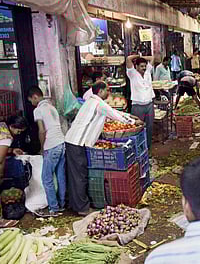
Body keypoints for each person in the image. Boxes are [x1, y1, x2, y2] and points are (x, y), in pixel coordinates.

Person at [65, 82, 141, 215]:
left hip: (74, 141)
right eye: (107, 90)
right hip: (76, 142)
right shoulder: (98, 104)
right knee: (79, 176)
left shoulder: (92, 102)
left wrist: (130, 116)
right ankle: (81, 208)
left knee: (77, 174)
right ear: (100, 91)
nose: (109, 92)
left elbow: (113, 111)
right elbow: (114, 115)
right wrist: (133, 122)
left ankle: (76, 204)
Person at [27, 86, 65, 217]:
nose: (31, 103)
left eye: (31, 100)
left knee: (46, 178)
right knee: (60, 176)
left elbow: (42, 130)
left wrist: (42, 148)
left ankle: (54, 208)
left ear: (35, 97)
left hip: (52, 145)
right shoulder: (51, 107)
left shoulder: (38, 110)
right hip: (61, 143)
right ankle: (62, 204)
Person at [0, 116, 27, 228]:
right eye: (18, 131)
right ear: (12, 126)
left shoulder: (0, 125)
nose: (18, 133)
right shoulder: (6, 137)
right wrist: (0, 176)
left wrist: (11, 150)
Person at [126, 54, 155, 150]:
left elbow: (152, 58)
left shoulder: (148, 72)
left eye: (145, 66)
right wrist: (138, 56)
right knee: (137, 128)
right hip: (138, 106)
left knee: (150, 128)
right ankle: (138, 148)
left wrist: (143, 58)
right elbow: (128, 59)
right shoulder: (132, 74)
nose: (144, 68)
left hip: (149, 105)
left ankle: (148, 148)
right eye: (141, 66)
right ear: (136, 67)